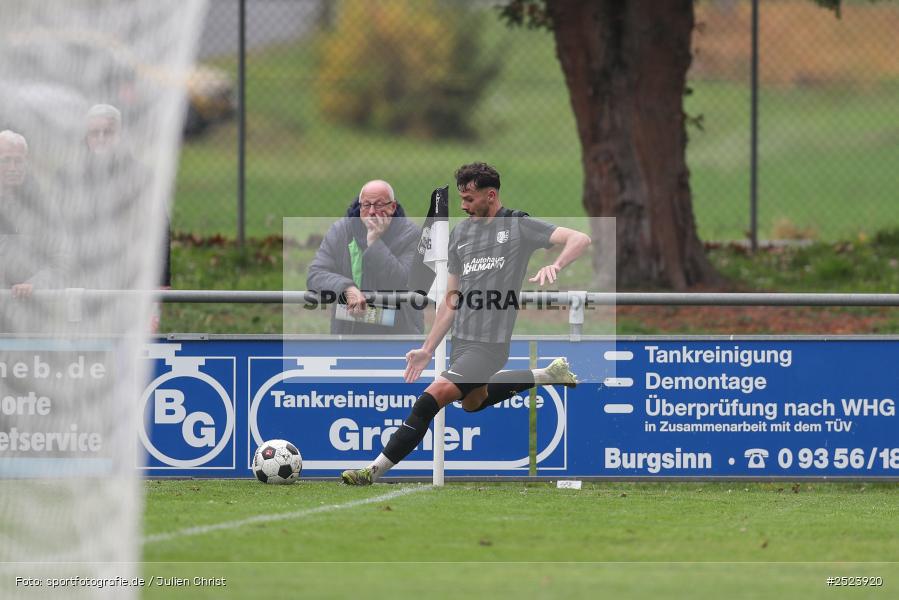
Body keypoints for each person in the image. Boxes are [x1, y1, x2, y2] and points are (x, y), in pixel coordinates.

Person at [342, 162, 592, 484]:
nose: (463, 205)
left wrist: (555, 265)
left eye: (470, 199)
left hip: (490, 346)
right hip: (463, 341)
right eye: (460, 198)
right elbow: (451, 301)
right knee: (473, 403)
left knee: (429, 400)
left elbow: (580, 238)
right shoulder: (461, 234)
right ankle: (546, 373)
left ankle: (371, 471)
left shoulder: (518, 226)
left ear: (491, 195)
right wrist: (427, 349)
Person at [307, 179, 424, 335]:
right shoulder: (341, 232)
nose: (371, 212)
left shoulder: (411, 235)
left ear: (392, 207)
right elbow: (315, 274)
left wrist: (374, 243)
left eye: (379, 205)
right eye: (366, 205)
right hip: (350, 332)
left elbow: (404, 281)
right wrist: (346, 288)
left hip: (399, 333)